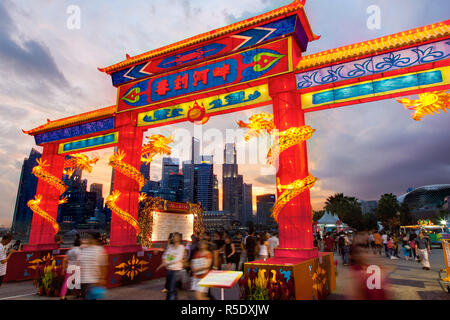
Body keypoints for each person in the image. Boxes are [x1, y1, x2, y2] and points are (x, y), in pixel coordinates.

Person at [78, 232, 108, 300]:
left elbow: (103, 266)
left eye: (90, 238)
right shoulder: (85, 249)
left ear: (95, 239)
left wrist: (102, 279)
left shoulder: (100, 250)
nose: (88, 240)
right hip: (84, 281)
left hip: (94, 281)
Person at [159, 233, 185, 300]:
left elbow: (178, 258)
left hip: (176, 270)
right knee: (170, 289)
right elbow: (165, 255)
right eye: (173, 237)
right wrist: (164, 261)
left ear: (179, 238)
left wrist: (166, 263)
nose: (174, 238)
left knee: (171, 289)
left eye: (176, 237)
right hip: (169, 270)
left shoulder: (181, 247)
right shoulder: (170, 247)